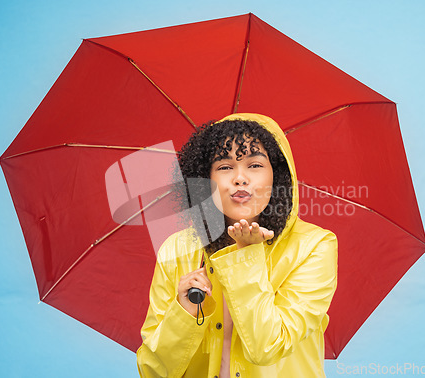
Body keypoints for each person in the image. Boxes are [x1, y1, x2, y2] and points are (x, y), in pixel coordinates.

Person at [136, 113, 338, 377]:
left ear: (276, 176)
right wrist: (184, 313)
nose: (240, 178)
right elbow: (152, 372)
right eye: (225, 167)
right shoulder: (178, 250)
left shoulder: (314, 246)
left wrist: (246, 257)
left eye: (255, 165)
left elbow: (268, 347)